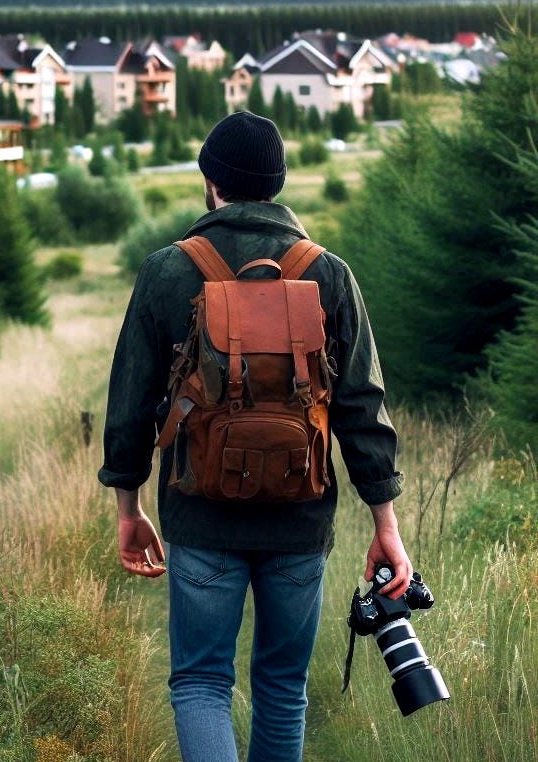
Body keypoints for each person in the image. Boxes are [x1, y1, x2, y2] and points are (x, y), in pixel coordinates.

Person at [98, 112, 412, 762]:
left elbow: (129, 404)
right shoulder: (329, 275)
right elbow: (362, 408)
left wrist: (129, 507)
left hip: (201, 514)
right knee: (282, 686)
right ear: (277, 183)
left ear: (211, 182)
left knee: (202, 683)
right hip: (299, 520)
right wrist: (387, 523)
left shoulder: (166, 272)